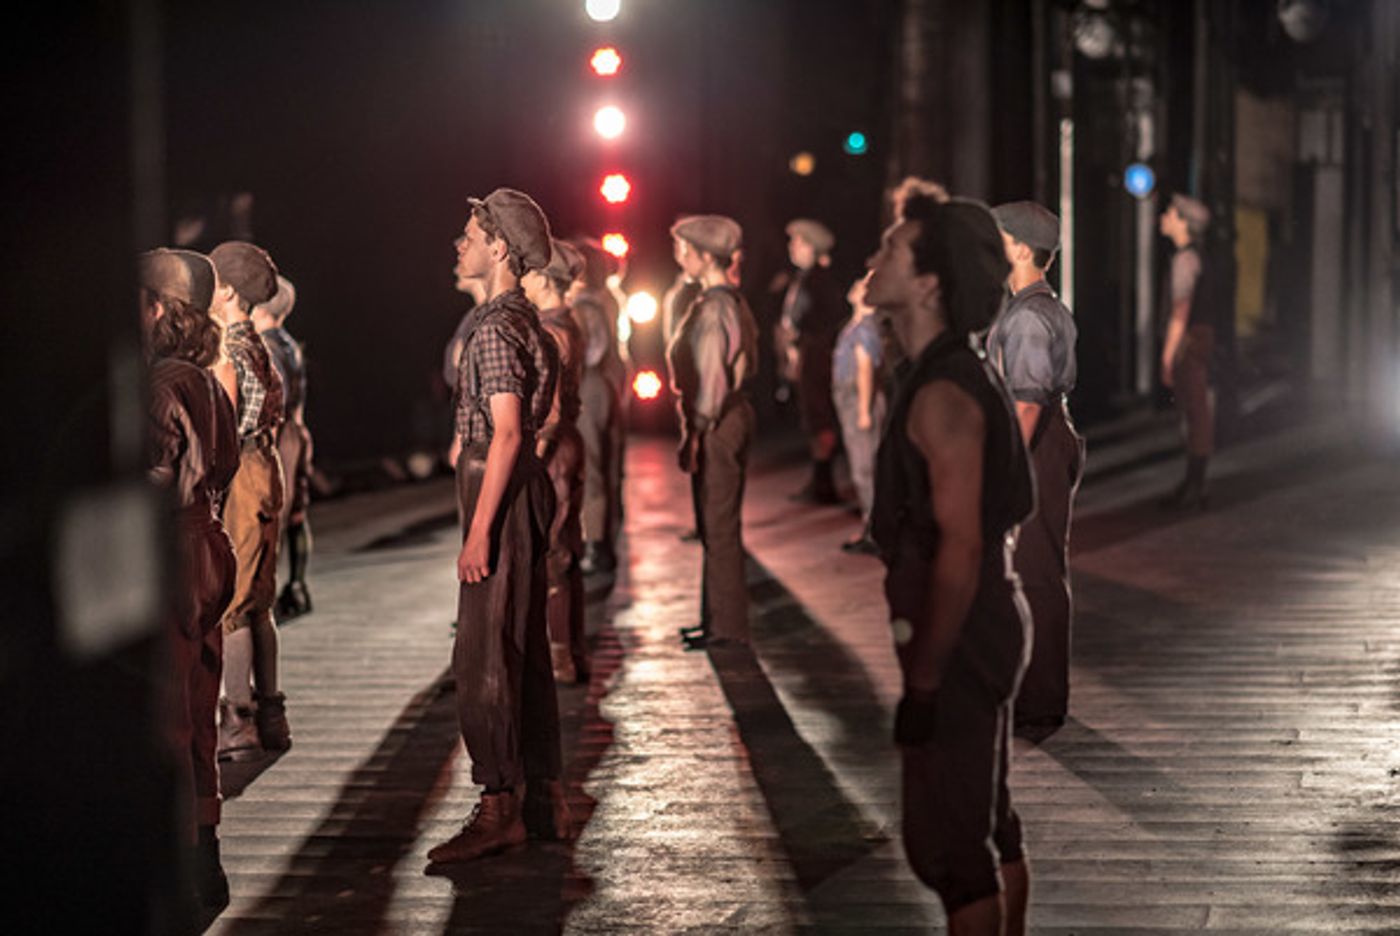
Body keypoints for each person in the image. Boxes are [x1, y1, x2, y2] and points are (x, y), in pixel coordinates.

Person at [866, 193, 1035, 935]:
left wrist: (927, 681)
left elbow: (961, 547)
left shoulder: (943, 393)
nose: (875, 260)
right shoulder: (939, 374)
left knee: (946, 843)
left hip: (965, 633)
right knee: (976, 818)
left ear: (930, 284)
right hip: (972, 627)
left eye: (893, 251)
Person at [428, 188, 569, 864]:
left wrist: (479, 531)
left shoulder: (492, 328)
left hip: (499, 487)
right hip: (516, 488)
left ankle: (497, 806)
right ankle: (541, 798)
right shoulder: (525, 321)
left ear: (499, 249)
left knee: (484, 653)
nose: (459, 245)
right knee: (523, 648)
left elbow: (508, 433)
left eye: (469, 235)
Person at [141, 248, 241, 917]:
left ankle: (176, 865)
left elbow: (150, 477)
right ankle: (206, 852)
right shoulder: (208, 382)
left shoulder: (158, 386)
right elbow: (226, 462)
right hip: (210, 543)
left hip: (173, 549)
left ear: (157, 309)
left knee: (166, 713)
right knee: (200, 708)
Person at [986, 201, 1086, 735]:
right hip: (1047, 438)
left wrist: (1008, 463)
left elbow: (1027, 401)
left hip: (1037, 442)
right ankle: (1037, 693)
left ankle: (1042, 701)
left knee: (1037, 572)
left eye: (998, 238)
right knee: (1037, 567)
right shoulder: (1038, 306)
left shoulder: (1027, 315)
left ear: (1022, 250)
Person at [210, 241, 290, 763]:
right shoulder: (261, 342)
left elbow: (225, 423)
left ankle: (237, 717)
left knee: (233, 604)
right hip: (268, 465)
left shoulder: (228, 350)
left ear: (229, 292)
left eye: (213, 282)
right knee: (260, 597)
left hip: (242, 470)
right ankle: (270, 713)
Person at [666, 215, 759, 651]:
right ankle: (716, 618)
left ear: (705, 256)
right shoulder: (726, 301)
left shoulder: (715, 306)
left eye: (684, 248)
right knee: (714, 521)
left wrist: (698, 430)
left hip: (719, 421)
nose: (678, 255)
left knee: (718, 523)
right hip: (726, 417)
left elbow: (712, 378)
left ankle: (727, 625)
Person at [522, 238, 590, 685]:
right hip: (567, 445)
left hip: (553, 451)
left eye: (529, 272)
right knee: (561, 549)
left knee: (552, 553)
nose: (522, 279)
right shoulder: (570, 322)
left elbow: (550, 411)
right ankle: (567, 649)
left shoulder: (551, 330)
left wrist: (534, 455)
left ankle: (561, 655)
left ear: (545, 281)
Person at [253, 275, 314, 621]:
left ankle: (270, 588)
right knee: (296, 513)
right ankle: (298, 584)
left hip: (280, 437)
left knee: (273, 511)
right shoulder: (290, 344)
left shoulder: (267, 349)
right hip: (297, 431)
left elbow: (276, 403)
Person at [568, 239, 627, 575]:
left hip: (591, 386)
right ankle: (603, 539)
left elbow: (589, 353)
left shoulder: (586, 306)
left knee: (591, 466)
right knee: (606, 465)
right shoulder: (607, 300)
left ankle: (596, 544)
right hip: (607, 385)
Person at [1159, 193, 1219, 509]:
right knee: (1196, 411)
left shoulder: (1185, 260)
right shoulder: (1197, 257)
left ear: (1184, 222)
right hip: (1201, 337)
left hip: (1190, 340)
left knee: (1195, 412)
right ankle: (1195, 481)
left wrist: (1167, 356)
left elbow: (1180, 311)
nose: (1165, 216)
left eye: (1171, 213)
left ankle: (1196, 484)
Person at [778, 219, 844, 503]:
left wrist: (808, 343)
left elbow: (824, 319)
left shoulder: (819, 280)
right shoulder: (804, 278)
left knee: (819, 414)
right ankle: (820, 478)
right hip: (808, 352)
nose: (792, 247)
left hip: (815, 353)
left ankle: (824, 480)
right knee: (812, 415)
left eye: (798, 242)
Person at [831, 273, 884, 554]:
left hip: (856, 398)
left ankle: (875, 529)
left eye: (862, 284)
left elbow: (865, 368)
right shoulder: (856, 326)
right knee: (861, 464)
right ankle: (871, 523)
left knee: (864, 467)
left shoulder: (865, 328)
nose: (856, 285)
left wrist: (864, 410)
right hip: (850, 397)